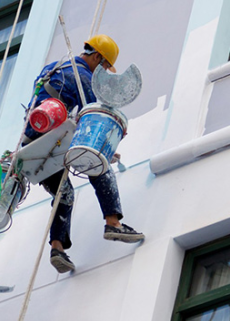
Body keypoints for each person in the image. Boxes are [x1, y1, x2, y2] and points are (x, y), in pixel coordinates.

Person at [24, 34, 144, 274]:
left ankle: (57, 248)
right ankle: (113, 223)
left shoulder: (55, 67)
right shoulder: (84, 78)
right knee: (97, 164)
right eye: (105, 66)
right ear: (98, 56)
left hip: (32, 143)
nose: (104, 73)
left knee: (64, 193)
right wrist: (106, 151)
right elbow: (92, 119)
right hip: (56, 136)